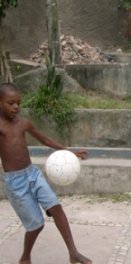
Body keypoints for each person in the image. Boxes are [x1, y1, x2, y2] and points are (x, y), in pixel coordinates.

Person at [0, 83, 92, 264]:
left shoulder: (23, 123)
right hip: (15, 183)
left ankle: (73, 253)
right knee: (36, 225)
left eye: (18, 102)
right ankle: (25, 258)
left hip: (33, 175)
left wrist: (69, 152)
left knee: (56, 208)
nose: (16, 107)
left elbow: (45, 139)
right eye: (10, 103)